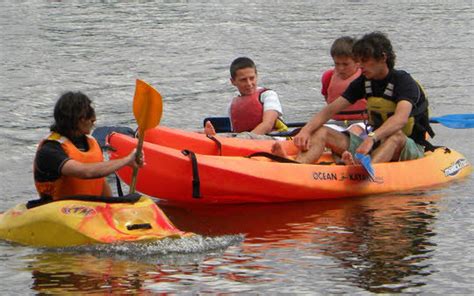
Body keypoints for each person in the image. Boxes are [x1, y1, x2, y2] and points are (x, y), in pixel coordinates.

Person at [272, 31, 434, 165]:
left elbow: (400, 119)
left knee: (396, 135)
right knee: (321, 131)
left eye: (365, 61)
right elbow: (330, 110)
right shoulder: (364, 82)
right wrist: (306, 130)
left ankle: (361, 170)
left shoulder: (403, 82)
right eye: (358, 61)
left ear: (383, 58)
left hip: (409, 145)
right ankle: (298, 167)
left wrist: (371, 138)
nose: (360, 66)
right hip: (375, 143)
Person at [34, 91, 142, 200]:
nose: (94, 119)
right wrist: (127, 160)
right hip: (59, 211)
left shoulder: (91, 142)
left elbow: (100, 181)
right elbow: (86, 172)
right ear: (74, 119)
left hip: (89, 211)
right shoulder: (50, 149)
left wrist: (114, 208)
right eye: (88, 114)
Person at [204, 57, 288, 138]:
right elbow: (235, 132)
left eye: (252, 78)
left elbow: (267, 125)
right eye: (243, 80)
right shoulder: (232, 105)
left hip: (272, 138)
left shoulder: (268, 95)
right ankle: (209, 136)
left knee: (235, 138)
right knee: (222, 136)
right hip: (245, 142)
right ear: (233, 81)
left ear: (257, 76)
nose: (249, 83)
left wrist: (244, 139)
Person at [321, 36, 367, 136]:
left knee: (352, 132)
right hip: (336, 123)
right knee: (317, 132)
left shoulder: (366, 77)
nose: (340, 68)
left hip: (362, 123)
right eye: (337, 64)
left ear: (357, 62)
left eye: (345, 64)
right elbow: (328, 100)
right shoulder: (328, 77)